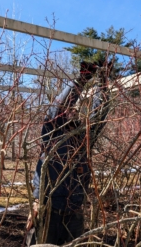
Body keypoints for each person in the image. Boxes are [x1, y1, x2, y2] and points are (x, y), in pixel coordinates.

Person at [26, 61, 110, 246]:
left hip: (74, 210)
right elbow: (57, 109)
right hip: (48, 208)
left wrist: (103, 85)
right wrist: (81, 80)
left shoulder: (83, 139)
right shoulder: (52, 133)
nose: (72, 112)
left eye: (74, 112)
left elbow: (99, 115)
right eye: (69, 111)